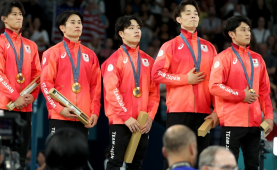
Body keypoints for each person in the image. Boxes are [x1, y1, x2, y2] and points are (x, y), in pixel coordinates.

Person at [151, 0, 218, 168]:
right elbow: (156, 74)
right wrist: (185, 79)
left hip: (204, 112)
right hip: (178, 110)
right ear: (178, 19)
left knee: (201, 159)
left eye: (195, 12)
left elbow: (217, 81)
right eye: (188, 13)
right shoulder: (170, 45)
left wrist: (217, 110)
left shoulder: (209, 47)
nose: (193, 15)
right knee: (175, 158)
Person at [209, 15, 274, 170]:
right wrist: (241, 95)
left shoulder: (258, 59)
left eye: (249, 30)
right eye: (243, 30)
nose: (248, 33)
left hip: (254, 122)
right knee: (228, 166)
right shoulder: (223, 58)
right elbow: (215, 86)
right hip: (232, 122)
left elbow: (265, 91)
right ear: (232, 34)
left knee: (253, 165)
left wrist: (269, 117)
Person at [0, 0, 41, 167]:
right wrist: (15, 97)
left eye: (20, 14)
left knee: (22, 158)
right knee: (1, 157)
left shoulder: (31, 46)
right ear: (4, 18)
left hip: (25, 107)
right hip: (5, 107)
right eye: (14, 14)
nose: (19, 18)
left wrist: (32, 96)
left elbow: (38, 76)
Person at [101, 15, 160, 170]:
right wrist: (126, 117)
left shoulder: (148, 61)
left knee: (136, 164)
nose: (136, 31)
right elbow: (111, 91)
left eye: (138, 28)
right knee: (115, 163)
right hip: (121, 121)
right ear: (121, 33)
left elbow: (154, 93)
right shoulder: (114, 60)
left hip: (141, 122)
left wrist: (150, 117)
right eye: (131, 28)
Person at [41, 10, 101, 138]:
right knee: (58, 157)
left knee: (79, 157)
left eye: (79, 22)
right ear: (62, 28)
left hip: (83, 117)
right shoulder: (52, 53)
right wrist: (59, 109)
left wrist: (95, 111)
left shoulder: (91, 55)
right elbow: (45, 84)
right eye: (73, 22)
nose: (77, 25)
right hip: (59, 116)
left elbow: (96, 87)